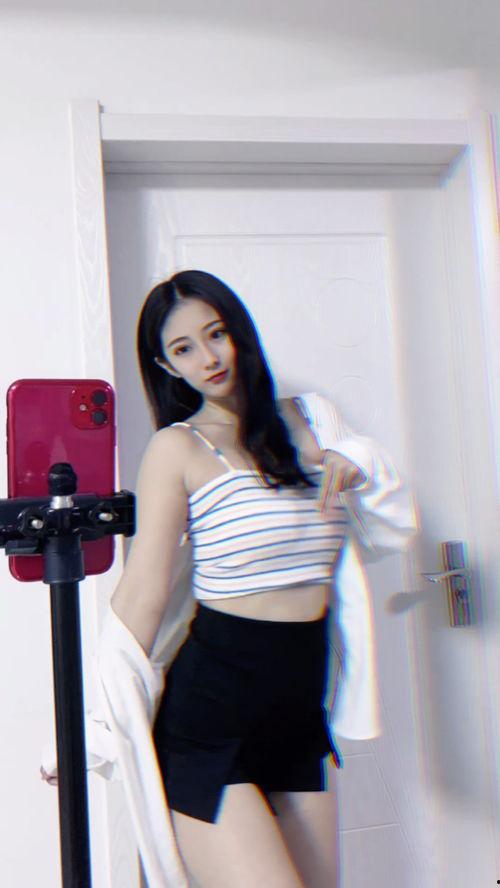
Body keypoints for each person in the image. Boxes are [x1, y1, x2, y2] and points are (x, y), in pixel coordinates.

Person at [42, 270, 417, 888]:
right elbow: (143, 593)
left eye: (216, 334)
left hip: (299, 711)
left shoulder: (311, 420)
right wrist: (97, 725)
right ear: (166, 365)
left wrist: (358, 466)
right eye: (184, 347)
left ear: (239, 332)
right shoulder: (178, 449)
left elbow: (391, 526)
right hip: (209, 718)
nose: (208, 357)